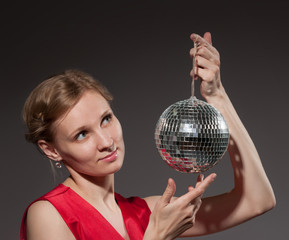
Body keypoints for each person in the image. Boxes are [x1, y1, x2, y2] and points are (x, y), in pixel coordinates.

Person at [20, 32, 275, 240]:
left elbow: (258, 200)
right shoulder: (48, 215)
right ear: (51, 149)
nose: (107, 142)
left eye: (106, 119)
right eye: (82, 134)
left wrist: (217, 95)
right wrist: (157, 236)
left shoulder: (146, 213)